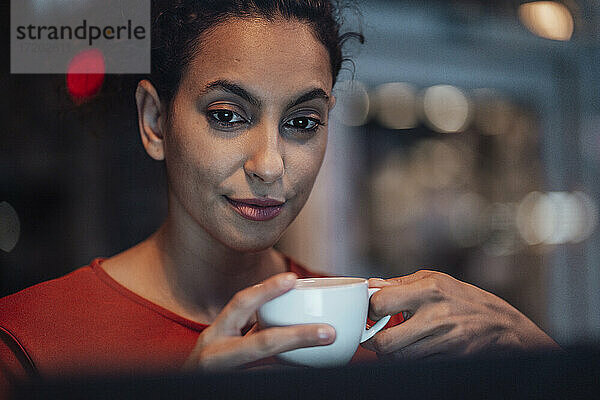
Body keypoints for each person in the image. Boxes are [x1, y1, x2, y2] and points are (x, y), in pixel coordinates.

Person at [0, 0, 560, 391]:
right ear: (154, 122)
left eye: (302, 122)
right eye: (227, 115)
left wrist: (532, 353)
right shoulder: (30, 342)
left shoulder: (362, 340)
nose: (270, 165)